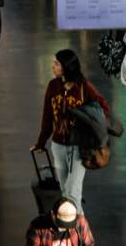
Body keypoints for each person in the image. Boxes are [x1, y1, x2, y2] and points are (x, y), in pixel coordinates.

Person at [32, 50, 111, 208]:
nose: (52, 66)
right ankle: (75, 227)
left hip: (79, 147)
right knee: (64, 190)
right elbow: (47, 117)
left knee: (72, 192)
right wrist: (41, 143)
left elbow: (103, 108)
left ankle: (76, 229)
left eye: (56, 64)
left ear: (66, 67)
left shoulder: (84, 87)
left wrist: (86, 123)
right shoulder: (53, 86)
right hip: (58, 146)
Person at [24, 198, 96, 246]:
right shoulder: (37, 225)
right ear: (53, 215)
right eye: (61, 224)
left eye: (68, 225)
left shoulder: (80, 222)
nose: (64, 228)